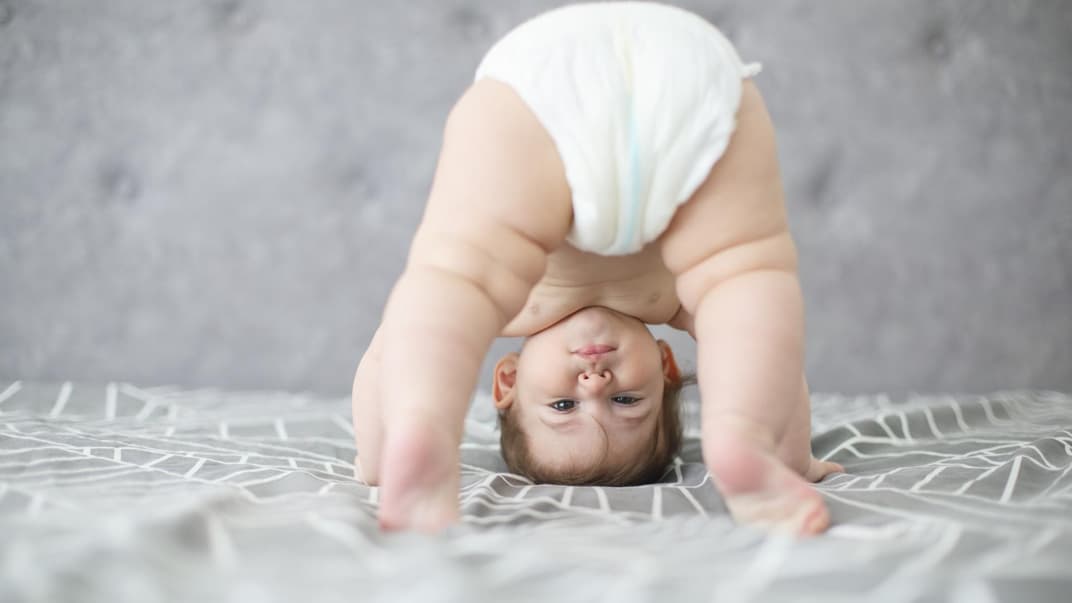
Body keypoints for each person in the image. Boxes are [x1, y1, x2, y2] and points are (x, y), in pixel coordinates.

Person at [350, 2, 844, 535]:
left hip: (536, 93)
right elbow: (771, 354)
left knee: (457, 282)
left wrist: (376, 459)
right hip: (688, 78)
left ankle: (421, 430)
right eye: (626, 400)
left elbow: (389, 354)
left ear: (509, 380)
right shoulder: (677, 298)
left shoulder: (514, 307)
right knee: (741, 280)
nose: (594, 382)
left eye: (563, 404)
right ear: (666, 368)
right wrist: (793, 455)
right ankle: (746, 436)